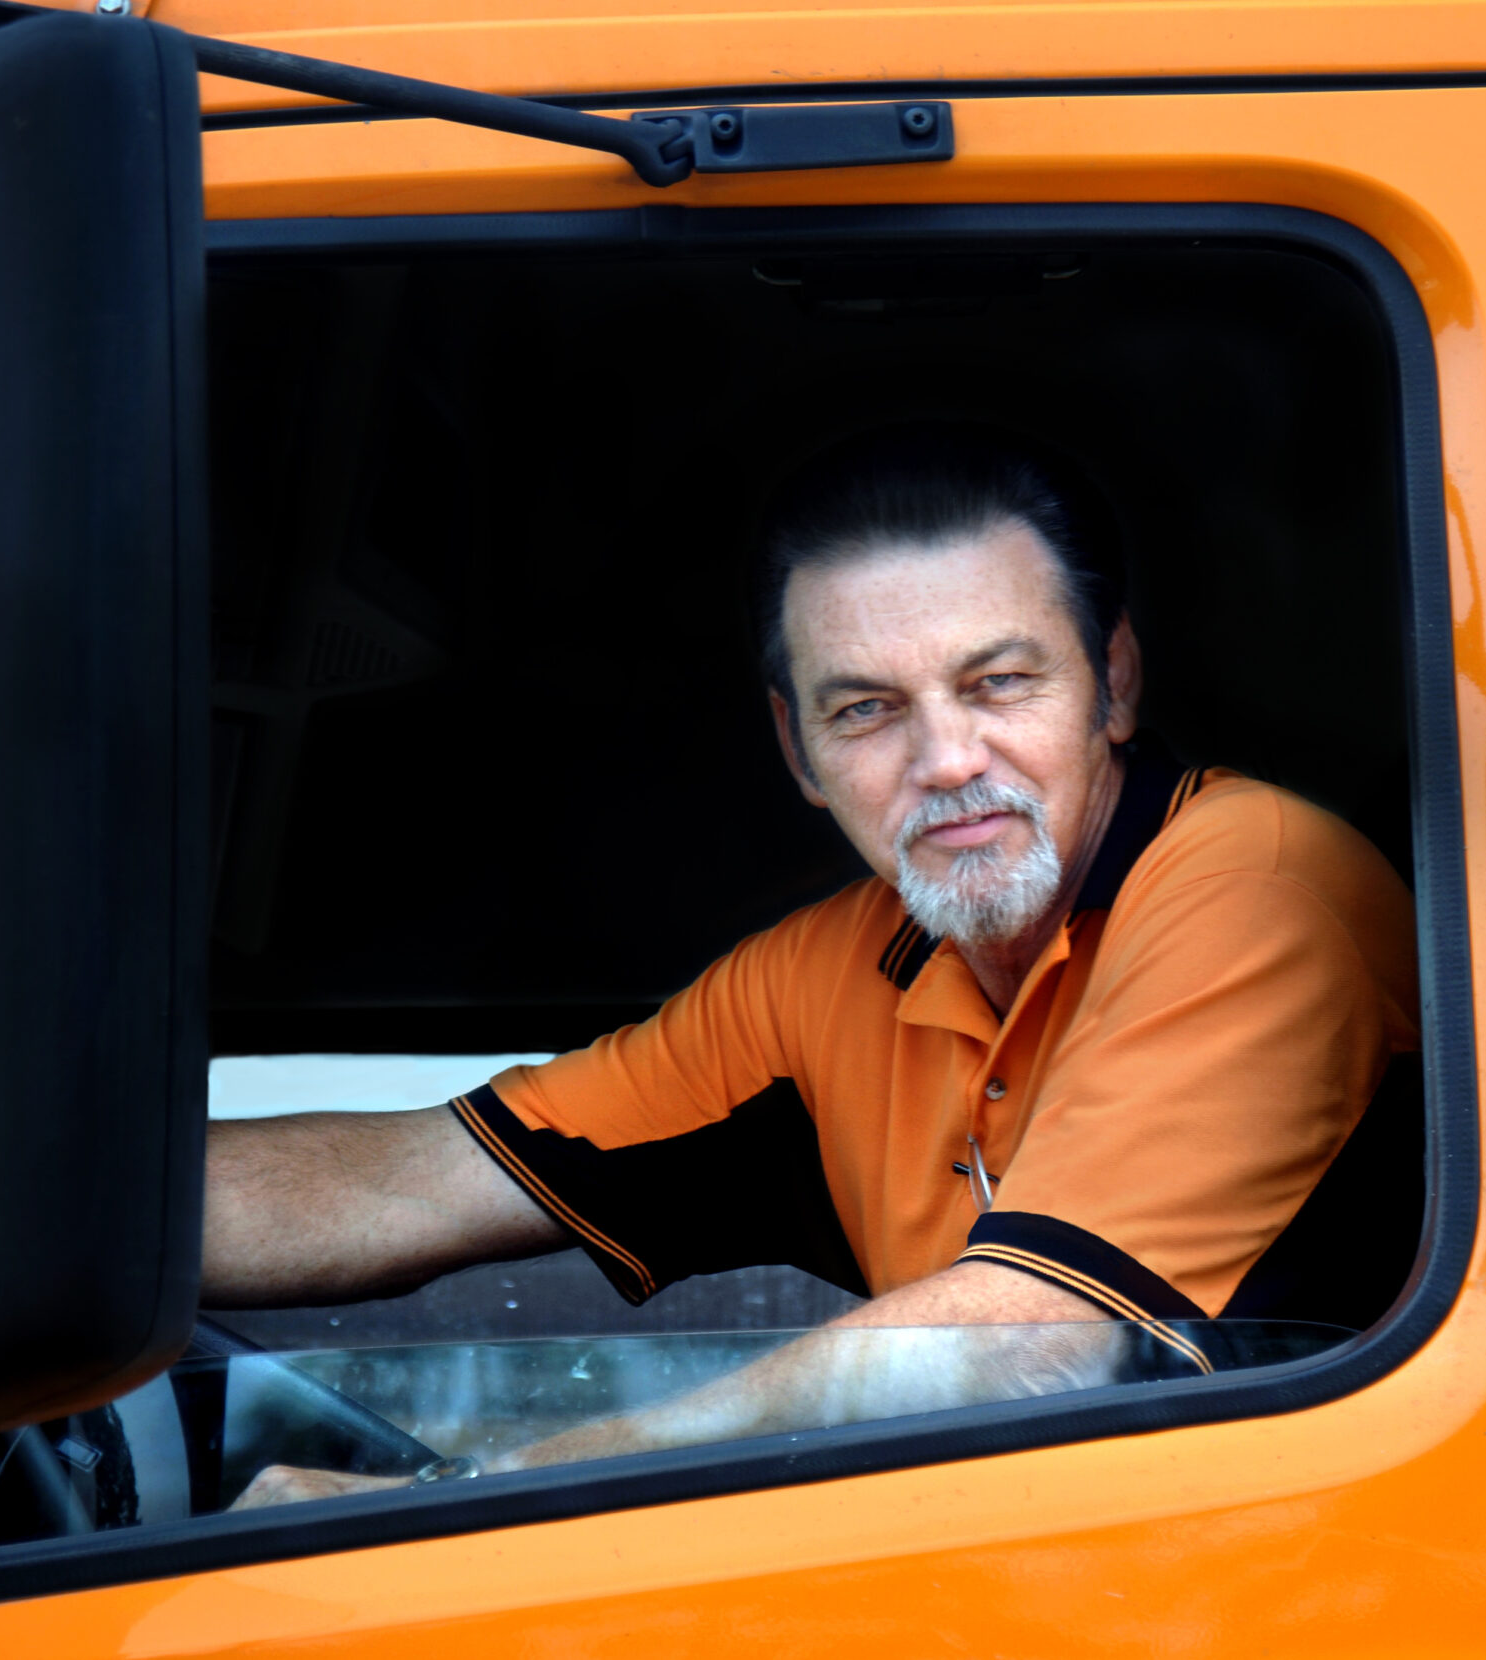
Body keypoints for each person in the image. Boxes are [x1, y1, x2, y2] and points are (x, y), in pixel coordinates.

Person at [210, 424, 1421, 1508]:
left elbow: (1031, 1342)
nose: (946, 757)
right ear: (798, 748)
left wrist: (479, 1494)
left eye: (999, 682)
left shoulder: (1255, 879)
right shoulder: (828, 971)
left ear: (1113, 684)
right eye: (866, 710)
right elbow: (405, 1182)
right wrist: (33, 1207)